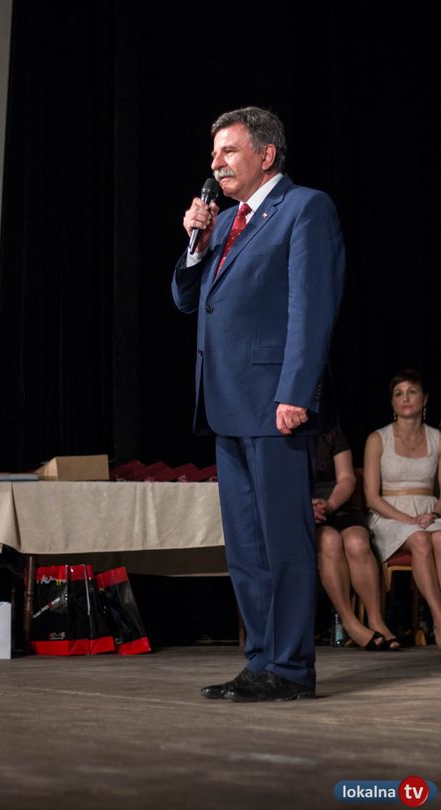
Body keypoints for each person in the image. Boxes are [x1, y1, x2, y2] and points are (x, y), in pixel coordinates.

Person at [172, 106, 345, 701]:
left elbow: (311, 308)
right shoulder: (222, 223)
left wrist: (296, 392)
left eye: (229, 151)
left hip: (275, 404)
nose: (216, 163)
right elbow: (188, 301)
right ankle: (261, 663)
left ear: (266, 155)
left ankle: (291, 669)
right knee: (246, 548)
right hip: (226, 404)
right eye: (214, 153)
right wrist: (196, 244)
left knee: (284, 543)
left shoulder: (305, 208)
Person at [364, 370, 441, 647]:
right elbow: (372, 497)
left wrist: (433, 514)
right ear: (392, 403)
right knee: (420, 539)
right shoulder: (377, 439)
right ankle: (439, 618)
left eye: (412, 392)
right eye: (399, 394)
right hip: (389, 515)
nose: (405, 398)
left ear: (425, 399)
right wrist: (409, 519)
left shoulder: (437, 438)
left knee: (439, 538)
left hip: (428, 513)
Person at [314, 427, 399, 650]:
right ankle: (350, 622)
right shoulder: (281, 436)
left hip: (338, 504)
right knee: (329, 540)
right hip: (302, 509)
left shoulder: (331, 433)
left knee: (357, 542)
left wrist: (329, 505)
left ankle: (376, 620)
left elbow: (347, 478)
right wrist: (306, 507)